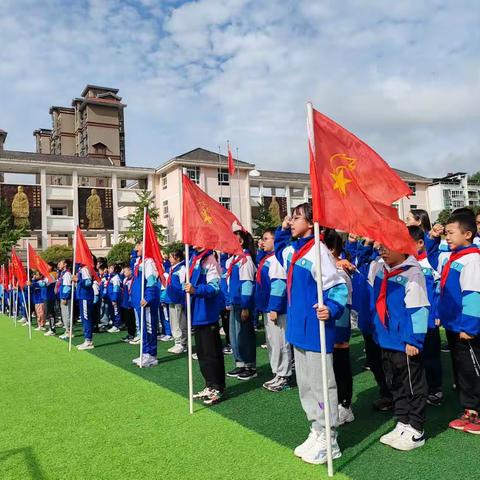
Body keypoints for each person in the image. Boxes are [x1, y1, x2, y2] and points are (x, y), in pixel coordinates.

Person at [275, 203, 347, 465]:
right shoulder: (296, 251)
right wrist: (282, 229)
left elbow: (338, 288)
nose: (290, 221)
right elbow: (279, 250)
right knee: (306, 386)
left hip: (316, 331)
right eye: (291, 218)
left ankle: (330, 438)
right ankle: (316, 429)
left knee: (321, 386)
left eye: (296, 218)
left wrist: (332, 308)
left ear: (311, 223)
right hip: (299, 330)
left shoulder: (319, 252)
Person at [369, 242, 430, 451]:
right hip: (386, 337)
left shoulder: (413, 273)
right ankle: (402, 421)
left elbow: (418, 308)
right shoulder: (380, 269)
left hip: (404, 341)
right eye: (380, 249)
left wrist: (414, 340)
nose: (382, 252)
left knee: (412, 384)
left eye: (387, 247)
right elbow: (373, 299)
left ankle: (416, 428)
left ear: (402, 247)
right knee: (394, 382)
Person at [437, 212, 480, 434]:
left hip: (466, 329)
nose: (448, 237)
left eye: (452, 233)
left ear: (468, 234)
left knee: (471, 370)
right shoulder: (455, 257)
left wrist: (469, 327)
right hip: (454, 326)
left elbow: (473, 295)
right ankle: (468, 409)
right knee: (461, 369)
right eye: (446, 233)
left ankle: (475, 412)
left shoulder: (472, 260)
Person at [184, 247, 225, 405]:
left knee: (211, 353)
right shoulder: (194, 258)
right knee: (202, 353)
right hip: (196, 314)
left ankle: (218, 388)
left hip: (207, 314)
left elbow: (214, 288)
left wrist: (196, 290)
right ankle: (209, 384)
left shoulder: (210, 260)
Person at [408, 226, 443, 406]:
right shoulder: (406, 264)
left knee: (431, 357)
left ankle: (435, 389)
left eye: (408, 243)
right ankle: (419, 389)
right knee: (415, 358)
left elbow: (438, 291)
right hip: (412, 321)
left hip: (429, 320)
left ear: (420, 243)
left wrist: (437, 313)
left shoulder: (430, 263)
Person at [255, 227, 292, 392]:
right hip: (267, 307)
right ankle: (277, 373)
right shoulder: (267, 258)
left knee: (280, 342)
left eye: (266, 239)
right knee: (271, 342)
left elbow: (279, 283)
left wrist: (274, 307)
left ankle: (283, 375)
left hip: (276, 309)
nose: (262, 242)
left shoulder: (276, 260)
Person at [324, 229, 355, 425]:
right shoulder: (332, 268)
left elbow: (343, 303)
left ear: (333, 249)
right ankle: (336, 403)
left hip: (339, 321)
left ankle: (345, 405)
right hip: (329, 322)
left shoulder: (340, 273)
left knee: (341, 364)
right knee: (332, 367)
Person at [225, 230, 257, 380]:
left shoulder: (245, 259)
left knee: (244, 335)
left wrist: (245, 306)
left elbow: (247, 283)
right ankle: (240, 363)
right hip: (234, 302)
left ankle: (250, 365)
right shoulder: (234, 259)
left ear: (241, 242)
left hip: (242, 303)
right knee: (234, 335)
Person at [130, 240, 160, 368]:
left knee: (149, 328)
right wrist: (136, 251)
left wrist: (148, 297)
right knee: (143, 329)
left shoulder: (149, 262)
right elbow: (132, 261)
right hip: (139, 301)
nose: (137, 247)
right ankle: (145, 352)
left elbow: (152, 281)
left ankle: (151, 355)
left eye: (140, 244)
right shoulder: (139, 262)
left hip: (146, 302)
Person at [165, 248, 187, 354]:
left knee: (180, 322)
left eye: (171, 256)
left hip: (179, 299)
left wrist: (183, 299)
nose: (169, 258)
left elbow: (183, 285)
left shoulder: (182, 268)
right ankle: (177, 342)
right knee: (174, 322)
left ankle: (183, 343)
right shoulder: (171, 268)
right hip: (171, 298)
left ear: (177, 258)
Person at [74, 262, 95, 350]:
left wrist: (78, 280)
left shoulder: (84, 269)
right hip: (82, 297)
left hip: (85, 297)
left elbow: (88, 283)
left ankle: (88, 340)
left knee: (86, 318)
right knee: (84, 318)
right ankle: (87, 339)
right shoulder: (81, 270)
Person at [56, 259, 73, 340]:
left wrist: (65, 297)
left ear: (65, 264)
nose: (59, 264)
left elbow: (67, 286)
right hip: (62, 296)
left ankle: (69, 331)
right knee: (64, 314)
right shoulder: (63, 273)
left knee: (67, 314)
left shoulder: (67, 274)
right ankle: (67, 330)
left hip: (65, 298)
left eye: (61, 263)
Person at [120, 265, 136, 343]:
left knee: (131, 319)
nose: (124, 273)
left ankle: (132, 334)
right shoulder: (125, 280)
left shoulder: (133, 279)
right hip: (125, 302)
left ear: (130, 271)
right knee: (127, 319)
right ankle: (129, 333)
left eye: (125, 271)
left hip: (131, 301)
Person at [106, 264, 122, 333]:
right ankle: (114, 324)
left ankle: (117, 326)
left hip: (114, 298)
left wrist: (114, 299)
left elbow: (116, 289)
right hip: (110, 298)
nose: (109, 269)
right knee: (112, 312)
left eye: (111, 268)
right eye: (109, 268)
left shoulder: (116, 278)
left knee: (116, 312)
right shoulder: (111, 277)